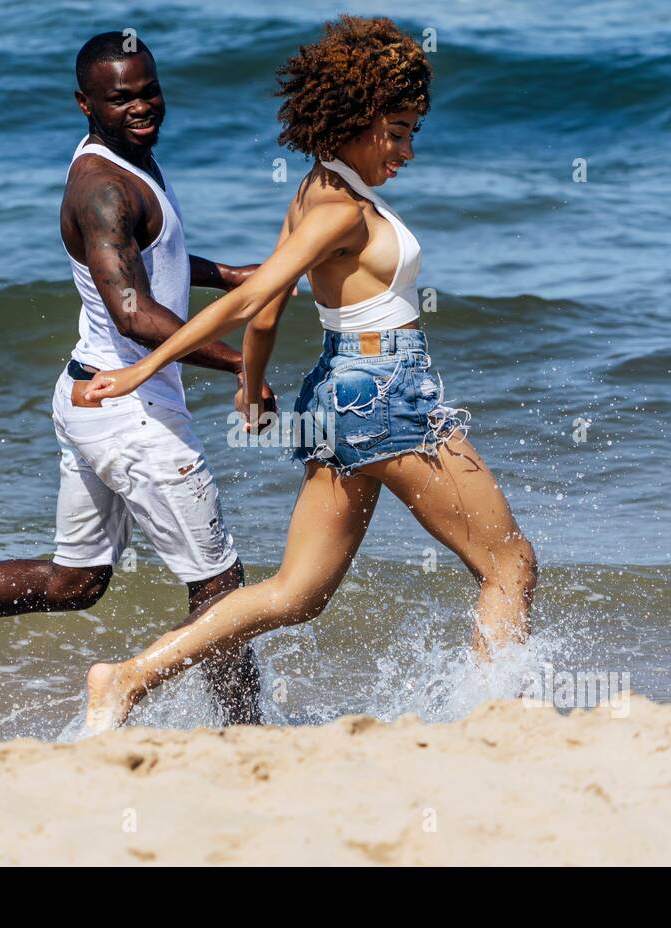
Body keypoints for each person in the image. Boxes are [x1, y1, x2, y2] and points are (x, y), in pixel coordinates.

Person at [79, 15, 538, 732]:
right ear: (353, 119)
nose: (408, 150)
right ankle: (497, 722)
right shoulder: (340, 210)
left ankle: (128, 678)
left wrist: (249, 385)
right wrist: (145, 371)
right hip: (385, 396)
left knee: (297, 592)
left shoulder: (312, 190)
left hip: (337, 394)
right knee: (510, 563)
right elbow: (251, 298)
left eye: (413, 131)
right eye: (396, 131)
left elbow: (266, 317)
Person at [0, 32, 287, 725]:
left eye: (148, 89)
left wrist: (236, 276)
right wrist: (242, 365)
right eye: (120, 97)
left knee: (76, 582)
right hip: (129, 410)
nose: (141, 106)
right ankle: (244, 735)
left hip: (91, 395)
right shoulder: (101, 189)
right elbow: (133, 311)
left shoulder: (129, 162)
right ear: (84, 104)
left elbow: (151, 256)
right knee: (220, 584)